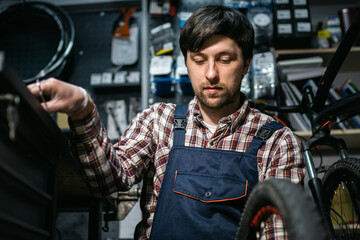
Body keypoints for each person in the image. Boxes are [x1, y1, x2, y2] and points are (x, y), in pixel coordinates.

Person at [28, 5, 304, 240]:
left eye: (224, 60)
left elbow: (278, 233)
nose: (210, 74)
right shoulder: (158, 120)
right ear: (186, 63)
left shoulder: (277, 141)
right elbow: (107, 182)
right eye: (199, 60)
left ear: (245, 65)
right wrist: (83, 109)